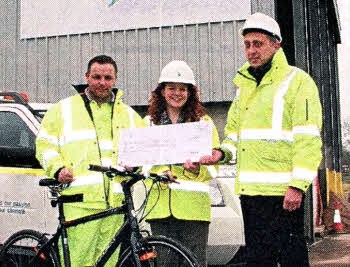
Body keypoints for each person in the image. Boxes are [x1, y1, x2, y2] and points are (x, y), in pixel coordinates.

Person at [200, 13, 323, 267]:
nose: (251, 51)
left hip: (284, 195)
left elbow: (308, 140)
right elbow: (234, 136)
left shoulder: (298, 83)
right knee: (258, 259)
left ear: (275, 44)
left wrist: (298, 186)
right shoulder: (243, 88)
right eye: (247, 45)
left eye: (258, 44)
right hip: (251, 194)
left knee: (292, 259)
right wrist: (221, 153)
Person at [36, 55, 144, 266]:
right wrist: (58, 169)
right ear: (87, 77)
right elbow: (44, 145)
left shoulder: (130, 115)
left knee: (107, 263)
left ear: (115, 79)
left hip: (114, 205)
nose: (102, 82)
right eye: (96, 77)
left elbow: (143, 150)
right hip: (80, 203)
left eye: (107, 77)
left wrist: (138, 165)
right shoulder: (63, 109)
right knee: (79, 262)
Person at [144, 60, 220, 266]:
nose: (177, 93)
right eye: (171, 88)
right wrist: (161, 170)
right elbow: (143, 162)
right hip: (160, 208)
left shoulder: (203, 123)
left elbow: (214, 166)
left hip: (193, 208)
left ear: (190, 93)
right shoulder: (149, 123)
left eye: (182, 89)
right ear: (161, 91)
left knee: (193, 263)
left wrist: (197, 170)